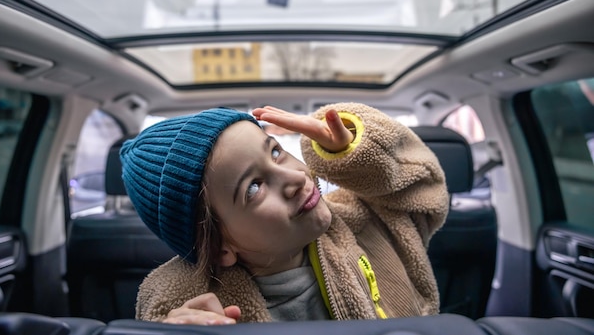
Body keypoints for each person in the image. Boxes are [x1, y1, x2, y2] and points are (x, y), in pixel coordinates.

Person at [119, 102, 449, 325]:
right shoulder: (188, 304)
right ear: (221, 246)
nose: (295, 178)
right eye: (253, 187)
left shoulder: (364, 223)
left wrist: (352, 153)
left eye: (275, 151)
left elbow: (423, 190)